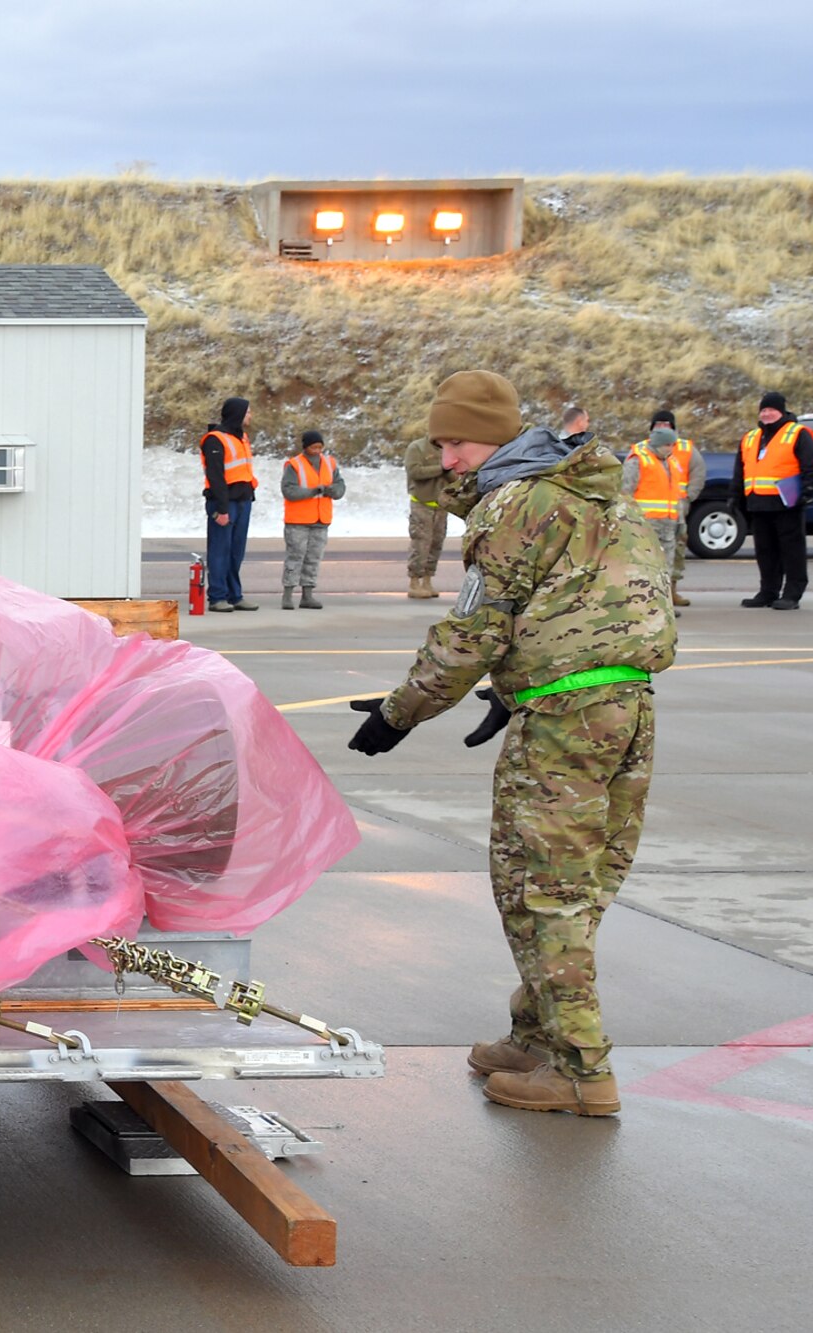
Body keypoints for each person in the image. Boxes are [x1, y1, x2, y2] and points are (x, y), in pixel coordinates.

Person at [347, 370, 675, 1117]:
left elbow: (475, 629)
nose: (448, 459)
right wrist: (511, 689)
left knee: (540, 885)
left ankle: (581, 1069)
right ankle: (540, 1033)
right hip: (625, 704)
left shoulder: (512, 506)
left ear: (495, 438)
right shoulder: (595, 494)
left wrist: (402, 712)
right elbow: (591, 604)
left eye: (456, 442)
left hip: (565, 720)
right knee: (574, 880)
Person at [737, 391, 813, 610]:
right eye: (763, 410)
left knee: (792, 551)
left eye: (771, 409)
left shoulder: (796, 433)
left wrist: (809, 490)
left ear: (781, 412)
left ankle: (792, 594)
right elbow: (740, 470)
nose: (766, 414)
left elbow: (811, 465)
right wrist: (735, 497)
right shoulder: (751, 437)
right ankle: (768, 592)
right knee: (765, 552)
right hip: (758, 503)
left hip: (787, 504)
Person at [621, 421, 694, 605]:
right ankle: (643, 605)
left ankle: (662, 606)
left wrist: (680, 522)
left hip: (668, 525)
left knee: (665, 568)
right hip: (645, 525)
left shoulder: (671, 462)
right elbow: (625, 492)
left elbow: (676, 495)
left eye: (672, 445)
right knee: (644, 567)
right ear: (657, 444)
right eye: (666, 445)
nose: (670, 448)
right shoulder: (638, 460)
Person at [200, 397, 259, 611]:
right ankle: (217, 597)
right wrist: (222, 509)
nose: (250, 415)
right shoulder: (215, 439)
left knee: (236, 551)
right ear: (238, 414)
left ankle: (235, 594)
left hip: (243, 500)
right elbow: (216, 477)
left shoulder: (241, 437)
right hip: (224, 503)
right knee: (220, 550)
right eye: (248, 412)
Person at [280, 429, 344, 609]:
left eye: (320, 447)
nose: (317, 450)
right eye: (313, 447)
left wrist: (334, 491)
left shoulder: (329, 463)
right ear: (306, 447)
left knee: (313, 558)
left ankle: (307, 595)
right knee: (295, 557)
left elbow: (340, 485)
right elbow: (289, 491)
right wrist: (313, 491)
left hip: (320, 521)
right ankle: (288, 595)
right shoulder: (294, 465)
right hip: (297, 521)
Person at [645, 410, 704, 607]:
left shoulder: (686, 448)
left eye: (666, 424)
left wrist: (688, 497)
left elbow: (698, 472)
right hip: (651, 516)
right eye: (658, 424)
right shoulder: (643, 451)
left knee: (676, 554)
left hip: (677, 512)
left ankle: (672, 590)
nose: (662, 428)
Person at [404, 436, 446, 599]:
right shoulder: (417, 447)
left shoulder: (447, 449)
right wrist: (441, 468)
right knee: (420, 543)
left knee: (436, 543)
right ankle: (414, 582)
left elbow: (454, 475)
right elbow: (414, 471)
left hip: (441, 505)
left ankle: (427, 581)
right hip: (421, 503)